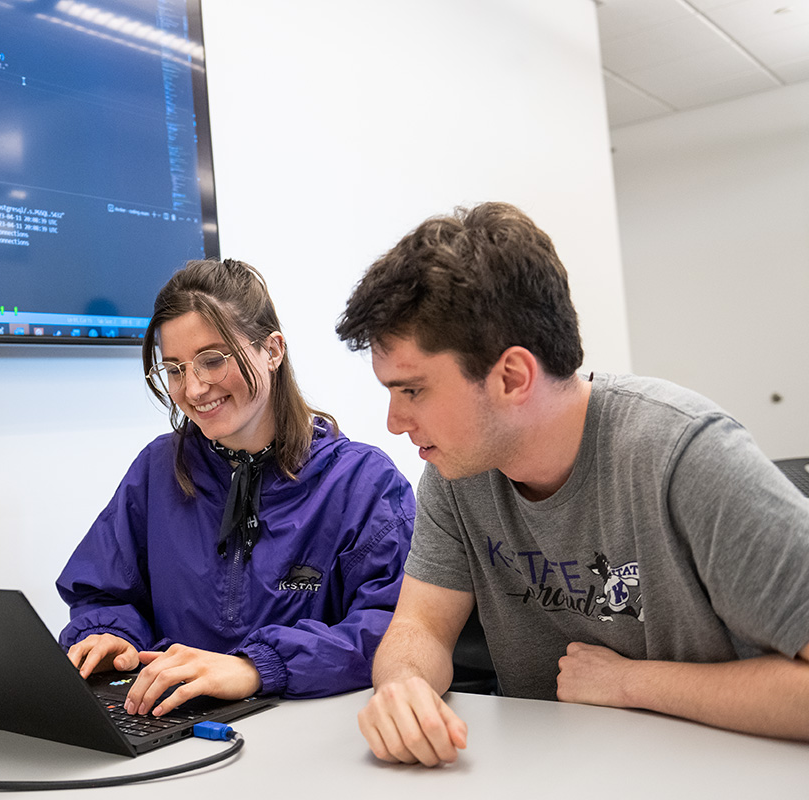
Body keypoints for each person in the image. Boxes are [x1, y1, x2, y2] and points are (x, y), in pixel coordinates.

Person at [334, 202, 809, 766]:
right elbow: (420, 627)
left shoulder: (686, 454)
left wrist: (632, 684)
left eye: (412, 391)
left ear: (512, 377)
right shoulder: (455, 470)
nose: (394, 421)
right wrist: (402, 687)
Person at [57, 258, 414, 718]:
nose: (194, 388)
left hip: (308, 736)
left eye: (212, 360)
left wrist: (255, 667)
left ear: (273, 350)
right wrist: (109, 635)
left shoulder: (364, 483)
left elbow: (393, 628)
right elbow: (104, 591)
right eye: (174, 368)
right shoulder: (157, 469)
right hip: (170, 720)